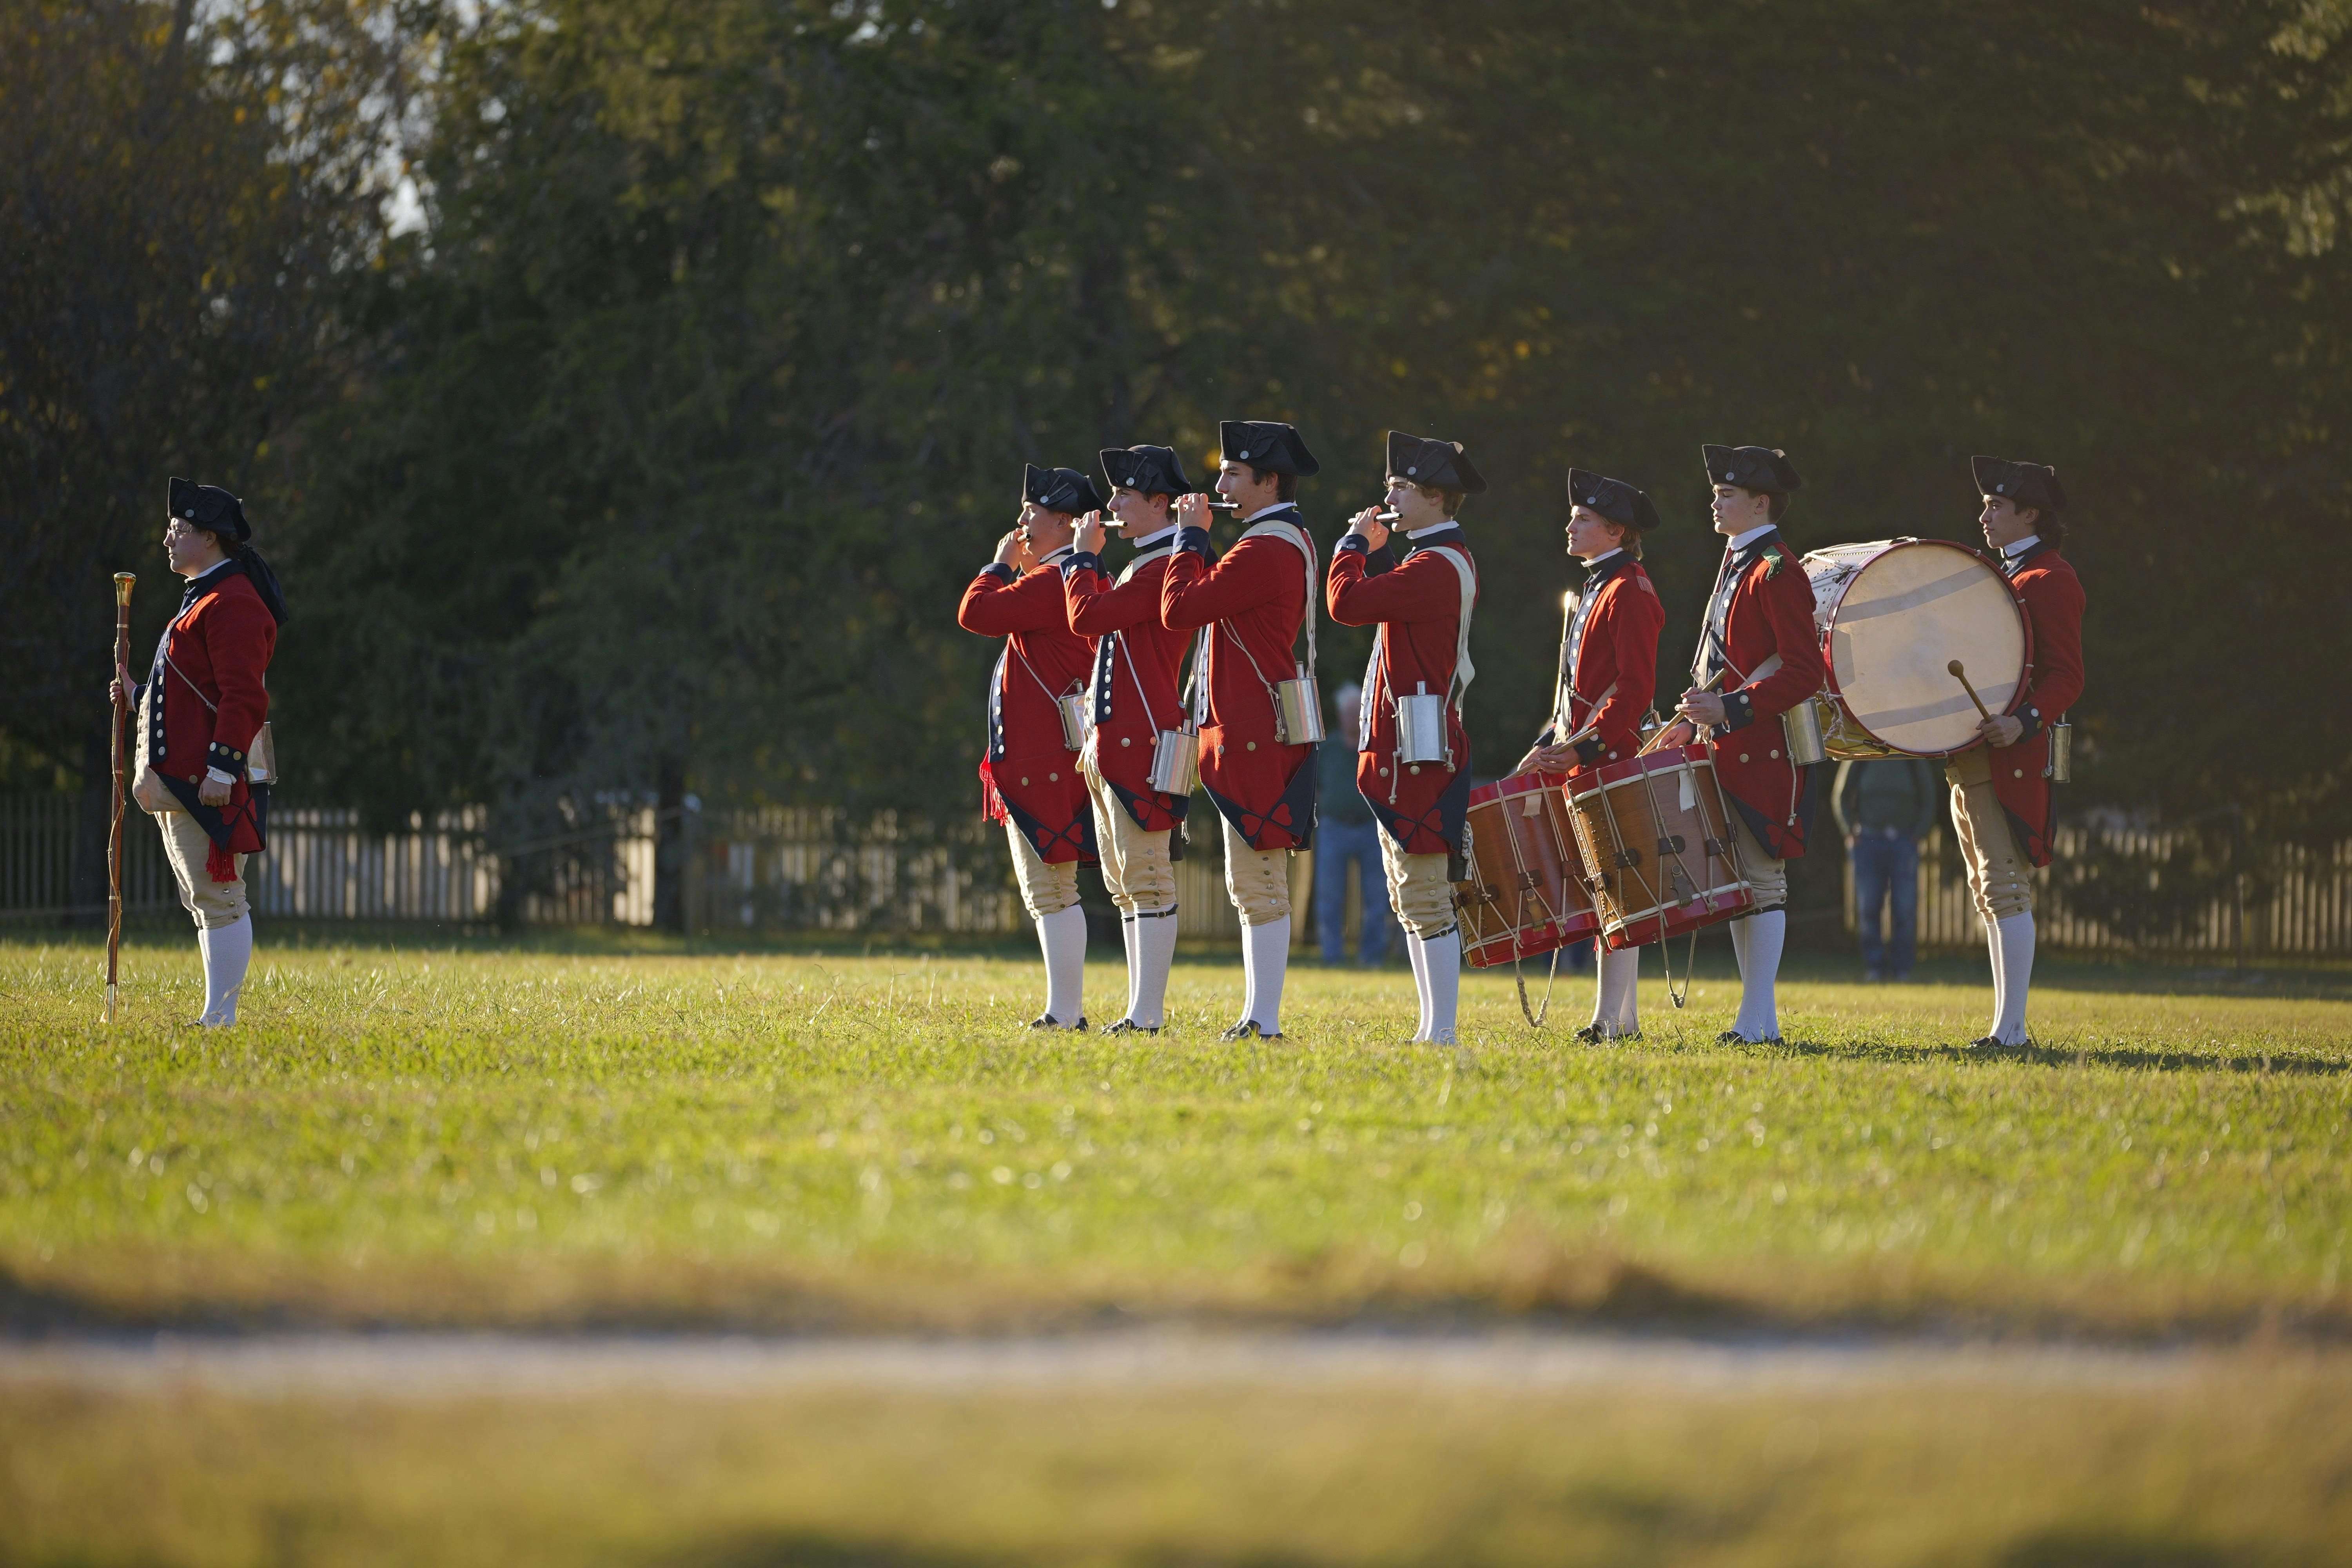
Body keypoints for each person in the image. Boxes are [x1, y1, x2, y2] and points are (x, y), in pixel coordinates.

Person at [1658, 445, 1828, 1045]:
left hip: (1766, 750)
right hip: (1727, 744)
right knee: (1738, 886)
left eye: (1727, 494)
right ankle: (1760, 1019)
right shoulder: (1739, 564)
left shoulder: (1778, 569)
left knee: (1763, 882)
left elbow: (1807, 671)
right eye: (1716, 493)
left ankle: (1756, 1022)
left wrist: (1729, 708)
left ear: (1761, 503)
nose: (1715, 501)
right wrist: (1698, 713)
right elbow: (1730, 662)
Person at [1160, 419, 1321, 1041]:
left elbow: (1181, 608)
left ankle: (1265, 1017)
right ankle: (1259, 1013)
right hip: (1260, 724)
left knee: (1258, 880)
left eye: (1232, 473)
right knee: (1253, 880)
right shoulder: (1280, 540)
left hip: (1253, 728)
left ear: (1268, 480)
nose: (1219, 482)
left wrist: (1188, 538)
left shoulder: (1266, 547)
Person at [109, 478, 288, 1027]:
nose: (167, 540)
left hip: (208, 779)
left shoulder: (232, 601)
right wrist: (139, 695)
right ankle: (215, 1013)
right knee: (202, 900)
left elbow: (244, 694)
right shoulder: (207, 596)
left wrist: (221, 768)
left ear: (208, 538)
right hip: (186, 775)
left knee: (221, 898)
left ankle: (222, 1017)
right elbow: (192, 692)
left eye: (177, 530)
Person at [1327, 431, 1483, 1046]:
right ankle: (1429, 1028)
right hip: (1411, 745)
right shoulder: (1433, 558)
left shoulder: (1436, 565)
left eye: (1399, 487)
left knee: (1424, 892)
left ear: (1436, 498)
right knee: (1409, 896)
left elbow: (1344, 602)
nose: (1386, 495)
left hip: (1420, 749)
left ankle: (1442, 1029)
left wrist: (1353, 545)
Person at [1517, 468, 1665, 1042]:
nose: (1569, 525)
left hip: (1612, 756)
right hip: (1584, 754)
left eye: (1582, 519)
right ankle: (1619, 1017)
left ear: (1615, 531)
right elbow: (1571, 690)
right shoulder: (1598, 586)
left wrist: (1586, 747)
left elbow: (1634, 690)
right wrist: (1550, 743)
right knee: (1603, 889)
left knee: (1617, 891)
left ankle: (1613, 1020)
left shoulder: (1630, 590)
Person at [958, 463, 1105, 1031]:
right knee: (1050, 887)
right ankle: (1064, 1008)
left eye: (1033, 513)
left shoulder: (1052, 579)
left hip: (1044, 756)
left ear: (1065, 522)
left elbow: (976, 613)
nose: (1021, 523)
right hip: (1048, 753)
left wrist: (999, 564)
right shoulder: (1068, 576)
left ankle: (1065, 1011)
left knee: (1051, 887)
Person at [1951, 454, 2086, 1047]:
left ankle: (2012, 1030)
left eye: (1996, 506)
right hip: (1974, 754)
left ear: (2029, 513)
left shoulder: (2051, 579)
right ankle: (2006, 1027)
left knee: (2004, 886)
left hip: (2010, 752)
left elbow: (2067, 676)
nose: (1984, 515)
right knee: (1988, 889)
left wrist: (2024, 722)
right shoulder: (2003, 576)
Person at [1062, 445, 1196, 1035]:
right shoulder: (1142, 564)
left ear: (1160, 505)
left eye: (1125, 496)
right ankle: (1139, 1009)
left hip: (1143, 742)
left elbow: (1086, 619)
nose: (1110, 506)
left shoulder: (1163, 565)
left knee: (1147, 877)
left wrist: (1079, 558)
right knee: (1124, 884)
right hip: (1115, 741)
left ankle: (1149, 1012)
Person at [1833, 756, 1940, 982]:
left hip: (1904, 841)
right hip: (1869, 840)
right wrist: (1850, 830)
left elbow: (1929, 798)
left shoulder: (1911, 755)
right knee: (1869, 907)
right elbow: (1840, 796)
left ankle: (1902, 970)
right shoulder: (1862, 753)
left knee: (1905, 908)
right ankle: (1875, 968)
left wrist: (1919, 833)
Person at [1312, 684, 1392, 967]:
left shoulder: (1375, 746)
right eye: (1346, 712)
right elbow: (1315, 786)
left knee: (1377, 898)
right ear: (1339, 715)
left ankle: (1372, 958)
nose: (1351, 718)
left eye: (1356, 712)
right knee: (1329, 898)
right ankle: (1331, 957)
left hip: (1372, 828)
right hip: (1333, 827)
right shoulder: (1329, 747)